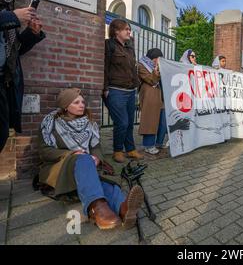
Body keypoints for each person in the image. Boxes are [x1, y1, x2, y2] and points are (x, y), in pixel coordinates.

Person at [38, 88, 144, 230]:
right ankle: (96, 208)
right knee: (84, 160)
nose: (82, 105)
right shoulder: (52, 124)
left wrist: (97, 158)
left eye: (82, 102)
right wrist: (71, 154)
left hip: (87, 166)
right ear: (65, 105)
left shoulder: (90, 124)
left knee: (107, 183)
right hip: (62, 167)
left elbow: (96, 147)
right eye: (76, 102)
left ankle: (123, 208)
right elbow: (45, 152)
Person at [0, 0, 45, 152]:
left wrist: (32, 34)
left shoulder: (6, 11)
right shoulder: (8, 15)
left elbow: (14, 51)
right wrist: (13, 17)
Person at [103, 19, 143, 163]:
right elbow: (105, 67)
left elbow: (132, 68)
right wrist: (105, 87)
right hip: (115, 90)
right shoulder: (108, 45)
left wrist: (136, 85)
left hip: (130, 91)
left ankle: (131, 150)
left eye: (129, 29)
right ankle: (117, 151)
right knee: (122, 122)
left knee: (130, 123)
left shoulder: (129, 47)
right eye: (126, 29)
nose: (129, 31)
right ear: (116, 31)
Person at [138, 48, 167, 155]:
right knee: (150, 121)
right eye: (159, 59)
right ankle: (148, 145)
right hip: (150, 97)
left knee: (163, 122)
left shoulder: (158, 67)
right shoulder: (141, 66)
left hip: (161, 97)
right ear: (154, 59)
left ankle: (159, 142)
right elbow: (152, 80)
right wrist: (156, 71)